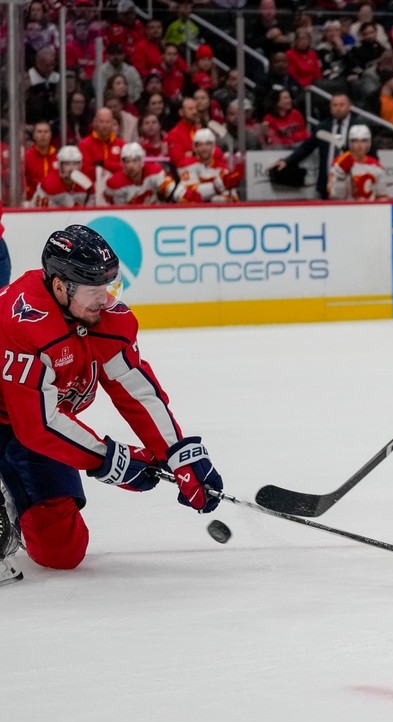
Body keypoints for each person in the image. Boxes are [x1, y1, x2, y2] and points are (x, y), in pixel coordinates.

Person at [0, 225, 224, 586]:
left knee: (62, 551)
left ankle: (16, 501)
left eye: (108, 286)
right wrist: (109, 459)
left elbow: (134, 390)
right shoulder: (22, 323)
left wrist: (178, 452)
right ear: (60, 286)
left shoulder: (105, 318)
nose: (105, 299)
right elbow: (37, 426)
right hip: (26, 423)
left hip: (31, 425)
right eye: (94, 290)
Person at [103, 142, 179, 205]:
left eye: (135, 161)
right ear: (122, 163)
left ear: (142, 162)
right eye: (127, 161)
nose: (130, 166)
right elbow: (120, 213)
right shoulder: (115, 184)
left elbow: (173, 191)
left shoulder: (154, 172)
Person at [329, 125, 388, 201]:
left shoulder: (376, 166)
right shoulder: (339, 163)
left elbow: (382, 197)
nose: (360, 145)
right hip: (345, 210)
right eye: (355, 141)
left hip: (370, 210)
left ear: (369, 143)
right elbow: (334, 196)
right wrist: (341, 176)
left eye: (364, 141)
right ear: (350, 143)